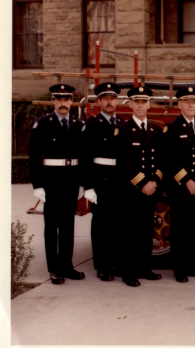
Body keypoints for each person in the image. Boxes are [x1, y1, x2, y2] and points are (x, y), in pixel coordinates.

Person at [29, 84, 85, 285]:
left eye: (67, 99)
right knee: (52, 226)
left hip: (71, 181)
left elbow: (82, 157)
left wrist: (82, 184)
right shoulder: (43, 124)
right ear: (53, 101)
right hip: (51, 181)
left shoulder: (79, 124)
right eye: (59, 99)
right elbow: (35, 157)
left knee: (68, 225)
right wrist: (38, 185)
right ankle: (54, 269)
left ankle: (67, 265)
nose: (63, 103)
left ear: (72, 101)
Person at [114, 85, 164, 287]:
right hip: (131, 190)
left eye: (144, 102)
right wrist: (143, 183)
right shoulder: (123, 130)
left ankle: (144, 268)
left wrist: (154, 182)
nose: (141, 105)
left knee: (146, 230)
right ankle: (129, 271)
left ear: (149, 105)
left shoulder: (156, 130)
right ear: (131, 104)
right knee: (129, 231)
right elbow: (123, 160)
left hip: (150, 190)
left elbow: (162, 160)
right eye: (137, 102)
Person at [163, 87, 195, 283]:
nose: (191, 105)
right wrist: (188, 182)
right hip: (181, 189)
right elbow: (169, 158)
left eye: (194, 101)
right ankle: (180, 269)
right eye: (187, 101)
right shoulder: (172, 128)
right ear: (179, 104)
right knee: (181, 230)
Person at [82, 82, 125, 282]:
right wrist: (88, 186)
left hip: (120, 180)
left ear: (117, 101)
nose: (110, 102)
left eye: (113, 98)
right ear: (99, 101)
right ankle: (102, 265)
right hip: (101, 181)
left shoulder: (124, 124)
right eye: (105, 98)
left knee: (118, 223)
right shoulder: (91, 125)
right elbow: (85, 157)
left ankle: (115, 262)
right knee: (101, 224)